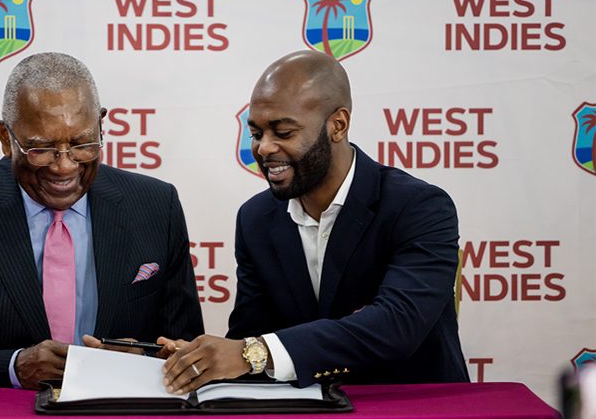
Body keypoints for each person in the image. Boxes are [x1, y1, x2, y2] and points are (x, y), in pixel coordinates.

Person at [0, 52, 203, 388]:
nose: (64, 166)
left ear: (101, 124)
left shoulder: (157, 207)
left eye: (81, 143)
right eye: (40, 148)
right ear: (5, 138)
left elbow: (189, 356)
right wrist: (13, 368)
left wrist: (144, 363)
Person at [162, 50, 468, 394]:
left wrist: (254, 353)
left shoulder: (419, 206)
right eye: (257, 132)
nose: (263, 148)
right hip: (305, 411)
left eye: (283, 132)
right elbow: (251, 338)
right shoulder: (255, 219)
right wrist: (188, 361)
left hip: (412, 406)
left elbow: (396, 326)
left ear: (337, 125)